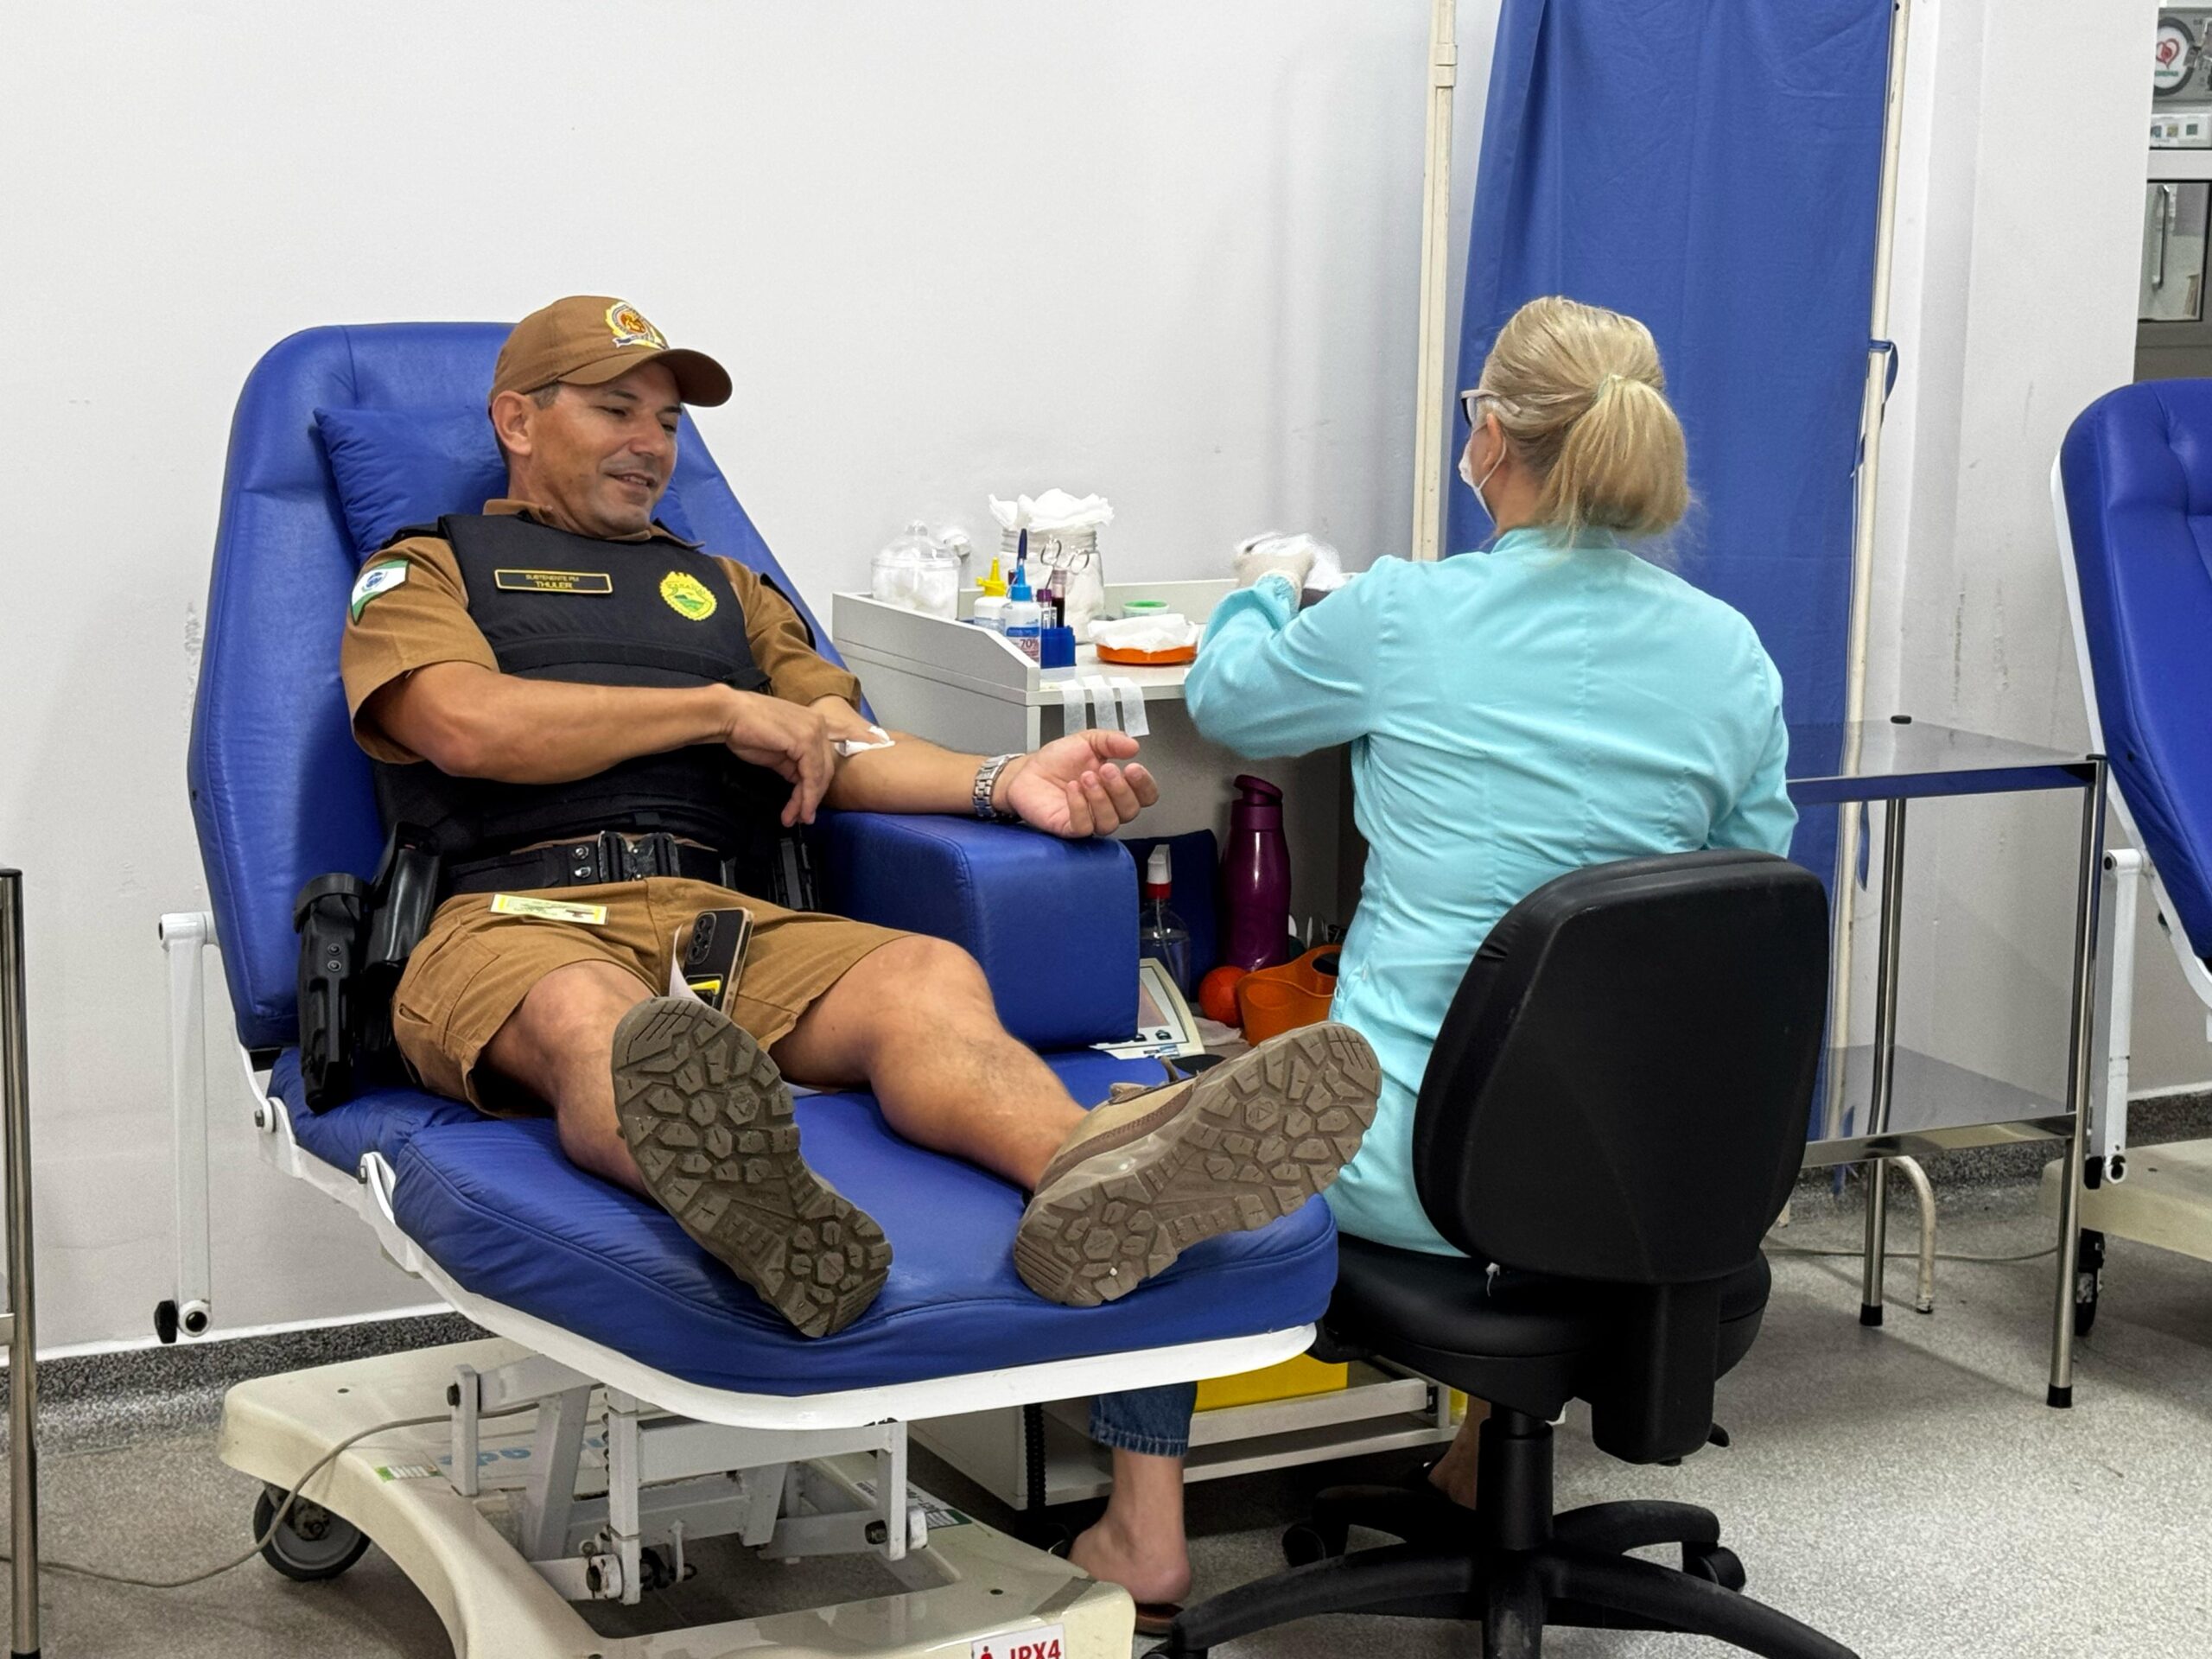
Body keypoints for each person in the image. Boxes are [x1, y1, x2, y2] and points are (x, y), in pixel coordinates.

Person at [340, 294, 1382, 1341]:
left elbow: (840, 745)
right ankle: (759, 1207)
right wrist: (717, 710)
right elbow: (463, 725)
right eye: (616, 411)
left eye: (666, 422)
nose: (650, 445)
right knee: (594, 1017)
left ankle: (1090, 1175)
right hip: (514, 917)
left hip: (719, 922)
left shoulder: (725, 590)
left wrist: (1006, 778)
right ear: (517, 421)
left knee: (923, 976)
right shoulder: (426, 569)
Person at [1065, 296, 1796, 1618]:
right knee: (1560, 1060)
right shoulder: (1730, 654)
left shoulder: (1408, 613)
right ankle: (1477, 1462)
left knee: (1150, 1134)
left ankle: (1144, 1531)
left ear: (1491, 438)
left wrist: (1263, 588)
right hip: (1656, 1172)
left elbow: (1231, 703)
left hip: (1419, 1170)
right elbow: (1746, 906)